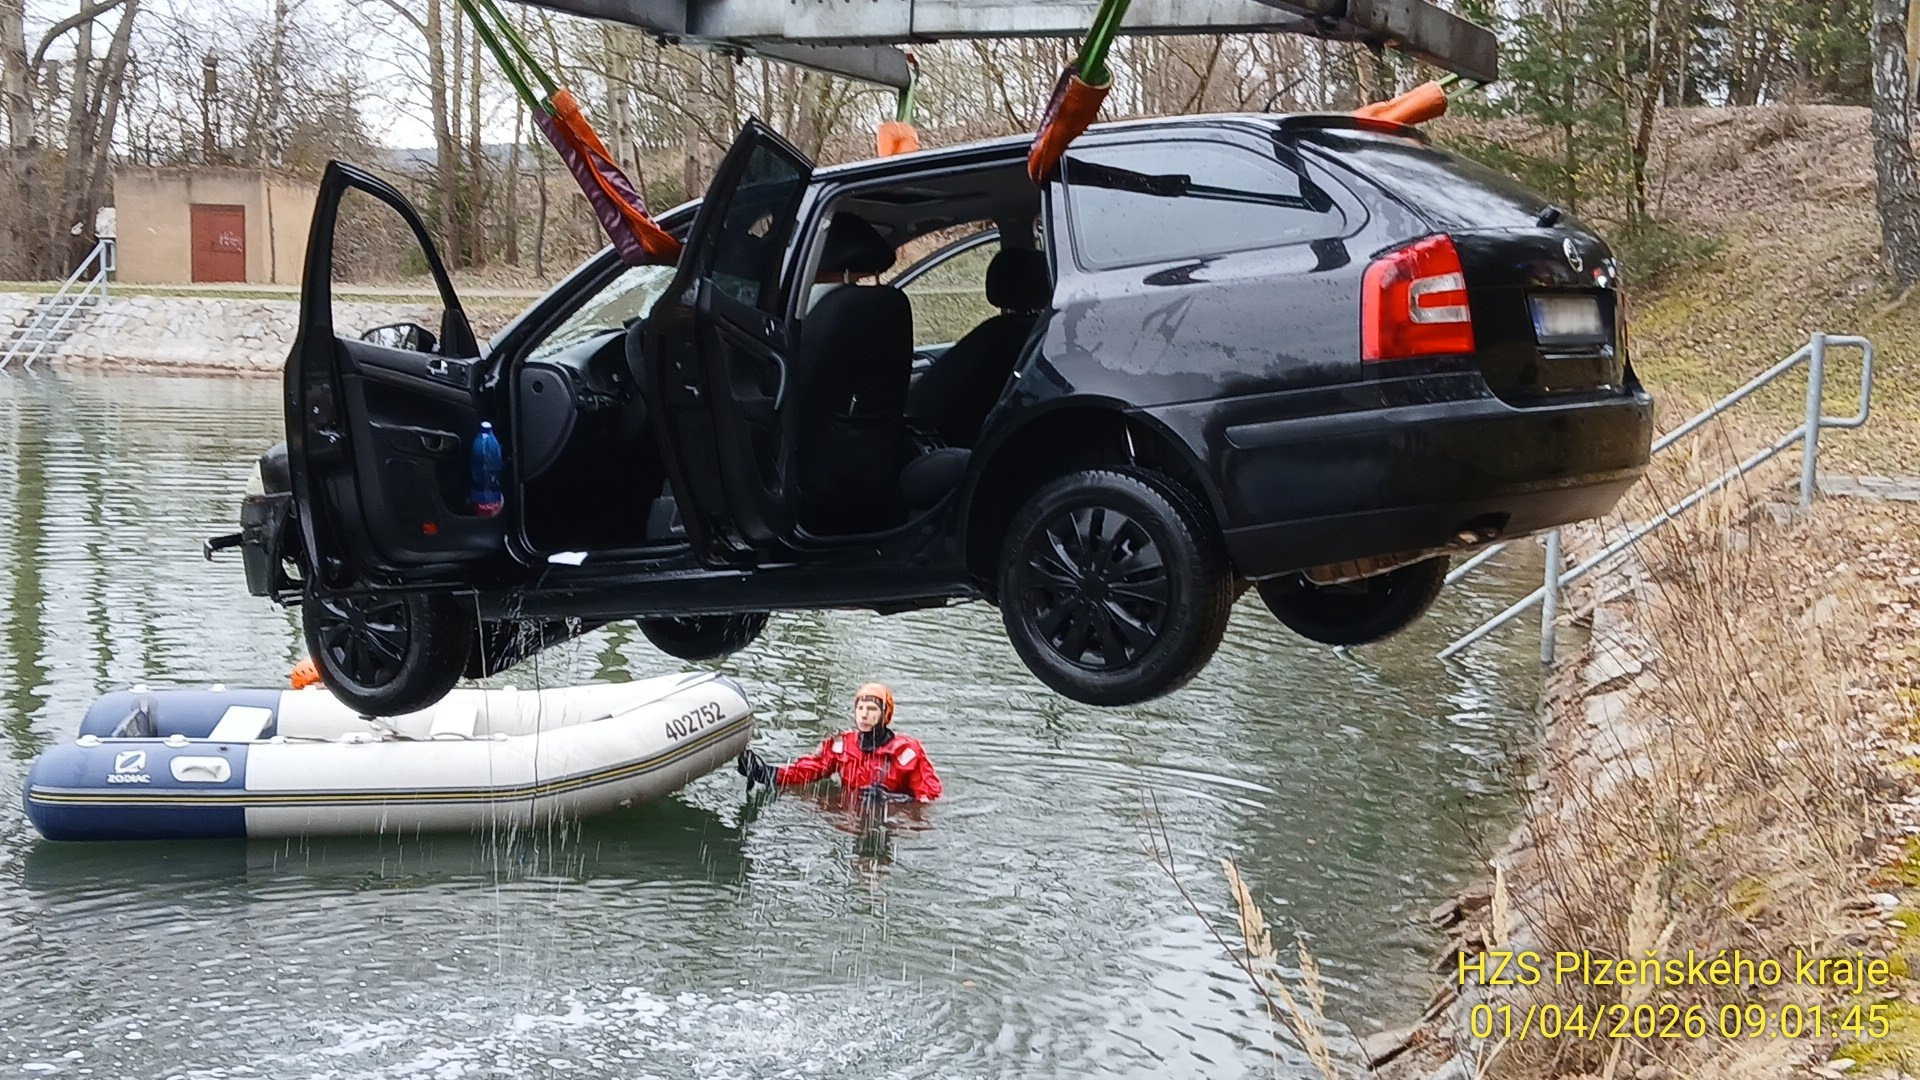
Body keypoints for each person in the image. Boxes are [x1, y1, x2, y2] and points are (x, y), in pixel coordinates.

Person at [737, 682, 942, 803]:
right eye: (860, 709)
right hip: (850, 815)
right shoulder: (842, 745)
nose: (864, 715)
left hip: (890, 820)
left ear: (885, 714)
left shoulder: (908, 752)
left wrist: (893, 799)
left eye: (872, 709)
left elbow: (930, 796)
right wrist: (766, 773)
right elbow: (808, 770)